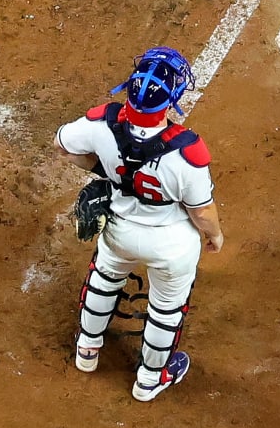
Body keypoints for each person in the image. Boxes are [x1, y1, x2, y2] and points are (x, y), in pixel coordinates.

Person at [56, 46, 223, 402]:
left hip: (120, 230)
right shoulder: (187, 151)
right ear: (169, 103)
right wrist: (215, 236)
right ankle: (149, 380)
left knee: (104, 278)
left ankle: (87, 350)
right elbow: (202, 211)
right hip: (171, 244)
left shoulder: (101, 124)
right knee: (166, 308)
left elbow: (65, 146)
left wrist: (105, 172)